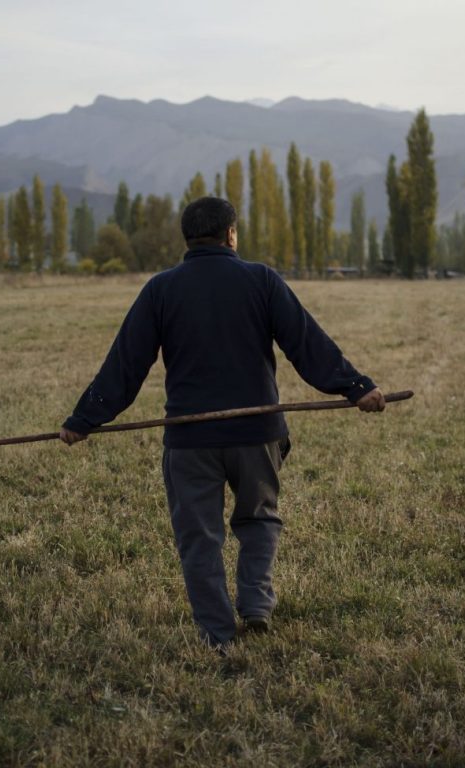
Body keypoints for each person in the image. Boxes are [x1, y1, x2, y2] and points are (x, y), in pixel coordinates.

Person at [60, 196, 386, 651]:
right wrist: (356, 387)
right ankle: (254, 603)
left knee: (199, 539)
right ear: (231, 234)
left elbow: (125, 365)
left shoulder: (161, 289)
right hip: (258, 434)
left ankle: (218, 635)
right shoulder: (261, 279)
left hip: (191, 441)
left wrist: (84, 419)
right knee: (259, 519)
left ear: (187, 239)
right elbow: (307, 342)